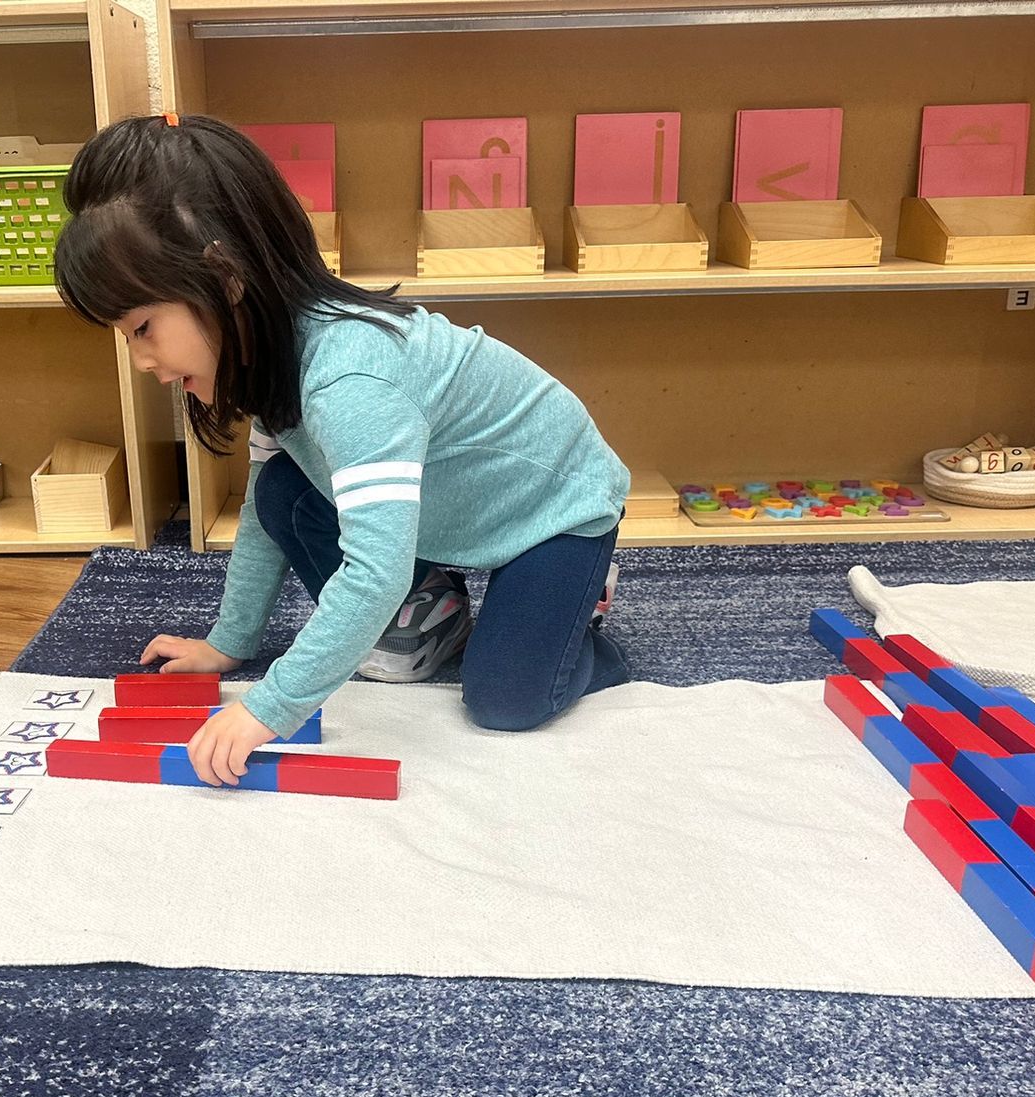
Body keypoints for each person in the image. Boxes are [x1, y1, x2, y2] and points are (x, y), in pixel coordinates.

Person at [55, 113, 630, 786]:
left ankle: (579, 619)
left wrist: (270, 707)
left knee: (506, 700)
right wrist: (229, 643)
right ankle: (437, 608)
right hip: (448, 505)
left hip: (552, 514)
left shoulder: (350, 381)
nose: (142, 361)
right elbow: (264, 517)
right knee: (281, 489)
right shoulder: (274, 358)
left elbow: (373, 574)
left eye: (143, 328)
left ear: (226, 277)